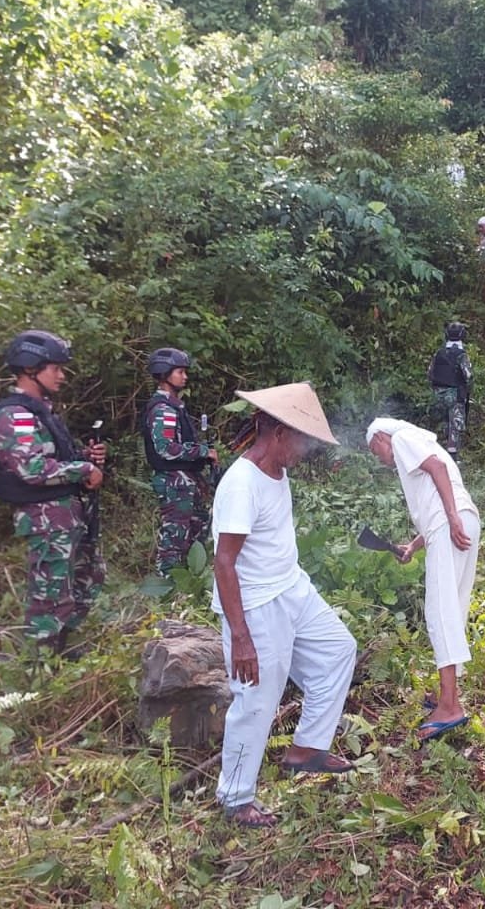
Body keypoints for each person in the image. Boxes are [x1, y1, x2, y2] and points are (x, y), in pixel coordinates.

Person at [211, 383, 357, 828]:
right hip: (256, 603)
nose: (305, 450)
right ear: (276, 433)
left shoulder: (278, 471)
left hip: (291, 587)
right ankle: (235, 798)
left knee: (338, 650)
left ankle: (307, 749)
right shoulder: (241, 484)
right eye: (302, 440)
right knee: (257, 698)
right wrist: (241, 637)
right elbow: (223, 561)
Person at [0, 331, 107, 656]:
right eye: (55, 368)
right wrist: (84, 471)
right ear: (29, 368)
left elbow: (54, 460)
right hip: (46, 522)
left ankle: (61, 651)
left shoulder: (41, 412)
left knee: (88, 577)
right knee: (49, 598)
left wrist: (85, 457)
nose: (62, 375)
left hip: (67, 519)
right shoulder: (16, 415)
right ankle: (39, 671)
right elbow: (32, 469)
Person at [366, 418, 480, 743]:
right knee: (453, 608)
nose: (380, 458)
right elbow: (436, 488)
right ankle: (448, 691)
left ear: (382, 437)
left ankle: (449, 706)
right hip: (463, 520)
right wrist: (414, 546)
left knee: (439, 613)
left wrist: (451, 518)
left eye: (376, 451)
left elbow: (437, 470)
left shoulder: (403, 438)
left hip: (452, 522)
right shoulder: (422, 440)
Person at [141, 348, 220, 578]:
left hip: (185, 480)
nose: (185, 377)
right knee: (175, 536)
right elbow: (166, 448)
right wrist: (203, 451)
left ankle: (187, 582)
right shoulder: (164, 409)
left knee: (196, 529)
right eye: (180, 372)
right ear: (164, 373)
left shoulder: (174, 406)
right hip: (174, 481)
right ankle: (167, 584)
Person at [427, 322, 472, 461]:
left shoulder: (439, 353)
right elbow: (469, 376)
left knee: (443, 423)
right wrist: (468, 391)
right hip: (455, 393)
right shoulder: (461, 354)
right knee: (455, 426)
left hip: (438, 392)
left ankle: (436, 453)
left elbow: (430, 373)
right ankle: (452, 457)